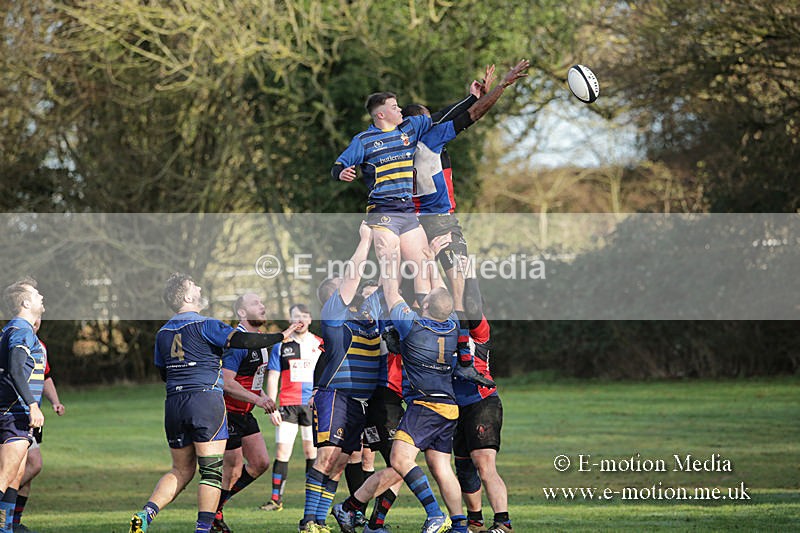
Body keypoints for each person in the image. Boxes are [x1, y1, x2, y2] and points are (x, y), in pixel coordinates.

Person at [128, 273, 298, 533]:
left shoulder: (163, 332)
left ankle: (146, 514)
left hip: (174, 403)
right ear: (187, 296)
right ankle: (203, 529)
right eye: (194, 285)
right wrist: (281, 336)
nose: (198, 287)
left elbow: (164, 373)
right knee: (211, 473)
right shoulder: (206, 324)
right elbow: (243, 340)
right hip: (205, 402)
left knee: (181, 470)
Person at [404, 59, 529, 376]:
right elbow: (464, 115)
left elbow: (462, 115)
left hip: (443, 223)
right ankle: (424, 362)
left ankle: (477, 357)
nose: (431, 124)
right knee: (419, 301)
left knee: (470, 301)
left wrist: (479, 95)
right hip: (410, 228)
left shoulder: (431, 137)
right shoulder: (395, 148)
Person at [333, 250, 468, 533]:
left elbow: (392, 290)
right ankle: (459, 525)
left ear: (427, 305)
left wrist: (389, 256)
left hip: (423, 404)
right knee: (437, 467)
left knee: (399, 461)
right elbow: (439, 291)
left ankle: (432, 514)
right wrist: (429, 260)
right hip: (448, 405)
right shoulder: (453, 325)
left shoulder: (412, 325)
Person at [298, 222, 384, 533]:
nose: (354, 287)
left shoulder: (365, 315)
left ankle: (321, 520)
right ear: (334, 295)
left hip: (359, 402)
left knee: (340, 463)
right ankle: (309, 520)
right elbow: (353, 274)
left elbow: (391, 284)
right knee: (326, 458)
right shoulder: (334, 313)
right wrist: (365, 240)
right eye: (344, 285)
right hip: (335, 395)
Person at [212, 292, 284, 533]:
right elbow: (228, 382)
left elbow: (252, 379)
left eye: (262, 302)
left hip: (245, 412)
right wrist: (258, 400)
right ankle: (212, 516)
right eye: (255, 303)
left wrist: (264, 398)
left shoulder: (261, 340)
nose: (262, 306)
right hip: (227, 412)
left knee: (260, 462)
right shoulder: (237, 342)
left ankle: (216, 508)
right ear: (242, 312)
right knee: (231, 469)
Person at [260, 303, 323, 512]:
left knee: (310, 451)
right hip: (287, 405)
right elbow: (273, 377)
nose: (301, 320)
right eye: (296, 316)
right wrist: (271, 406)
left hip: (312, 406)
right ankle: (275, 500)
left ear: (311, 319)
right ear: (290, 321)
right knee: (282, 450)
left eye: (305, 316)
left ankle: (311, 499)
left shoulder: (319, 344)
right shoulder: (281, 345)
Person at [0, 279, 46, 533]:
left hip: (12, 413)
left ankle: (5, 528)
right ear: (26, 303)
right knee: (5, 477)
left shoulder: (11, 329)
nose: (41, 297)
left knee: (15, 477)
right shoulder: (21, 330)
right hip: (14, 413)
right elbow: (16, 369)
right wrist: (32, 405)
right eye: (36, 294)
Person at [13, 319, 66, 533]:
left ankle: (13, 523)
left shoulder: (40, 346)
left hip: (33, 418)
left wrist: (55, 401)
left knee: (28, 471)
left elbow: (46, 377)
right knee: (30, 465)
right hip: (15, 416)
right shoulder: (13, 341)